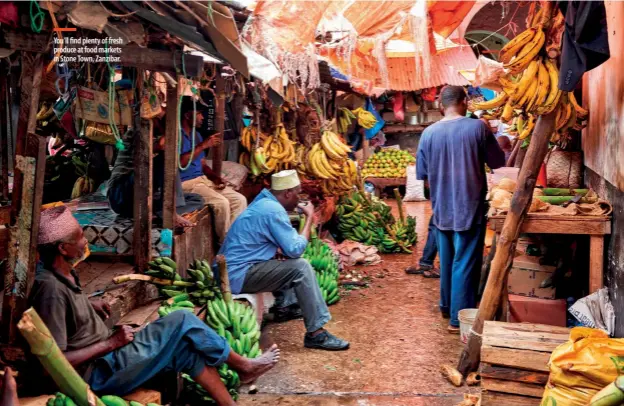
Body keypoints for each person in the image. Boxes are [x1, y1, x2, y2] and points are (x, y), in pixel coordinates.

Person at [30, 206, 280, 406]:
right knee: (182, 319)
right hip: (99, 373)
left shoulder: (65, 275)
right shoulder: (50, 290)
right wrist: (111, 343)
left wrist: (87, 303)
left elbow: (69, 308)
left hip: (112, 356)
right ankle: (244, 365)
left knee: (186, 350)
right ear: (63, 249)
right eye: (80, 237)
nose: (86, 241)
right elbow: (56, 361)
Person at [217, 170, 349, 351]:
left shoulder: (264, 203)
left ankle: (284, 306)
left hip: (236, 270)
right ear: (287, 193)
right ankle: (316, 334)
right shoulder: (272, 210)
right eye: (298, 193)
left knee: (283, 258)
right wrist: (310, 217)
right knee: (300, 267)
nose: (299, 199)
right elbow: (296, 249)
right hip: (237, 275)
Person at [416, 86, 505, 334]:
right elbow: (498, 162)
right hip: (469, 204)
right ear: (464, 102)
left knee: (447, 260)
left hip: (441, 206)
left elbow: (422, 175)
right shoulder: (477, 127)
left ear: (440, 105)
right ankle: (458, 320)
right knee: (465, 262)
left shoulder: (428, 133)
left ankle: (446, 306)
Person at [107, 116, 204, 229]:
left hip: (142, 201)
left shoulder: (158, 136)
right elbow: (158, 147)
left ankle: (161, 213)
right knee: (165, 159)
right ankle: (167, 213)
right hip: (120, 195)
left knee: (197, 199)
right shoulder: (136, 132)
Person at [178, 97, 247, 243]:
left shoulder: (196, 135)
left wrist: (215, 178)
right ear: (188, 115)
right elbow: (180, 162)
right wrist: (203, 145)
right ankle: (225, 245)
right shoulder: (176, 136)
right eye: (200, 114)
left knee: (240, 200)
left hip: (202, 181)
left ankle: (234, 240)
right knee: (222, 203)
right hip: (186, 184)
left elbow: (202, 164)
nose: (202, 117)